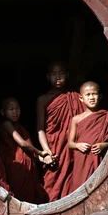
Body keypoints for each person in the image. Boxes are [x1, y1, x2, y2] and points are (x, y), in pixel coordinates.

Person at [36, 61, 85, 201]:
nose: (58, 77)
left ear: (67, 75)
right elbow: (40, 129)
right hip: (55, 147)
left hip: (74, 145)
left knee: (76, 180)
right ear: (47, 77)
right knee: (53, 185)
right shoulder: (43, 100)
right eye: (53, 74)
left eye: (61, 73)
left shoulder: (76, 97)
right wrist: (46, 151)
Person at [64, 81, 108, 195]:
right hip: (82, 160)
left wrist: (104, 145)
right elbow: (70, 143)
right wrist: (78, 145)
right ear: (81, 98)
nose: (91, 97)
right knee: (80, 189)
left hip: (101, 159)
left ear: (100, 96)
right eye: (88, 95)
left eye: (94, 94)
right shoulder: (76, 119)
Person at [0, 97, 48, 204]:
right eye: (11, 110)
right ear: (3, 112)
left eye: (17, 109)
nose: (15, 112)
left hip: (26, 165)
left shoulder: (20, 127)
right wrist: (41, 152)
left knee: (30, 195)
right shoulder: (7, 124)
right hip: (16, 167)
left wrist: (40, 158)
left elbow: (27, 150)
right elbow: (23, 144)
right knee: (20, 195)